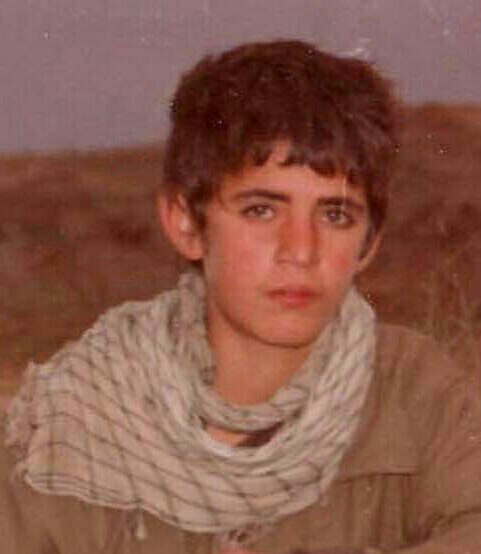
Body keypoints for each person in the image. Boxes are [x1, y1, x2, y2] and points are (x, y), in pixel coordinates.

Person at [1, 39, 481, 554]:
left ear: (369, 242)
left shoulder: (415, 393)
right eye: (261, 210)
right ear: (185, 223)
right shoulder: (77, 416)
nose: (301, 250)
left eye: (336, 215)